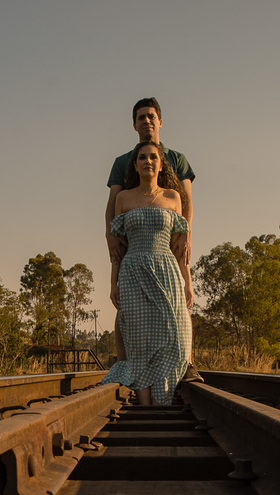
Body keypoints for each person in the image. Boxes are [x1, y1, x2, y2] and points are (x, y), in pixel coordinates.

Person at [105, 97, 202, 382]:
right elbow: (112, 203)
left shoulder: (176, 158)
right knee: (126, 300)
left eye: (151, 116)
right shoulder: (123, 161)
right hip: (133, 235)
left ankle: (187, 363)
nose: (146, 121)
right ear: (134, 125)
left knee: (179, 302)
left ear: (160, 121)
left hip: (169, 234)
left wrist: (186, 234)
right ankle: (125, 363)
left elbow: (187, 201)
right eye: (140, 117)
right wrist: (110, 237)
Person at [101, 141, 192, 405]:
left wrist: (187, 282)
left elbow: (180, 249)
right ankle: (144, 407)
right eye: (142, 157)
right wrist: (113, 283)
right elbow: (117, 248)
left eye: (153, 157)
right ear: (136, 164)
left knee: (173, 335)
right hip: (132, 272)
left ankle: (163, 400)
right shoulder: (123, 198)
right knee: (138, 341)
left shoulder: (173, 198)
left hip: (166, 269)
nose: (148, 161)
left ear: (161, 164)